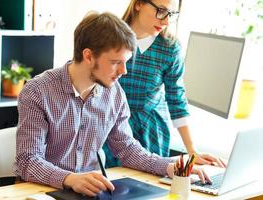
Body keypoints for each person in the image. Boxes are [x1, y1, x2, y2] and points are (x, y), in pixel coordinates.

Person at [15, 12, 211, 197]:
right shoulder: (38, 91)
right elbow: (28, 161)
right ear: (88, 56)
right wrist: (69, 179)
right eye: (116, 62)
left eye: (125, 62)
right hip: (39, 191)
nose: (124, 71)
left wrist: (170, 166)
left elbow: (126, 149)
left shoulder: (114, 93)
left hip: (88, 192)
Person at [104, 0, 226, 168]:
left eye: (172, 14)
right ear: (139, 3)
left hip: (151, 130)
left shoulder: (170, 48)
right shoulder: (106, 37)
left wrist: (192, 151)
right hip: (109, 124)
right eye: (161, 11)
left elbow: (177, 99)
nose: (166, 21)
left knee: (149, 188)